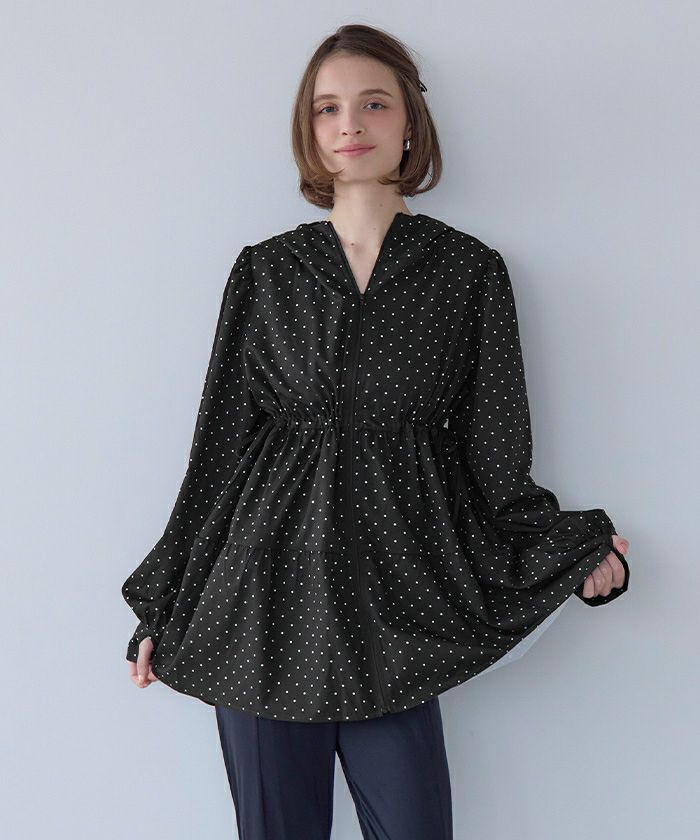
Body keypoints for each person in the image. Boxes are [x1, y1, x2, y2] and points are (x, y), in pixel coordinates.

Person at [121, 23, 630, 840]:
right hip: (259, 604)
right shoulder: (267, 270)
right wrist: (164, 600)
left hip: (395, 612)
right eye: (327, 108)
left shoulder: (468, 272)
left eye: (373, 104)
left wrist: (565, 552)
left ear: (409, 123)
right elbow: (218, 451)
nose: (350, 124)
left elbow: (496, 451)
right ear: (309, 129)